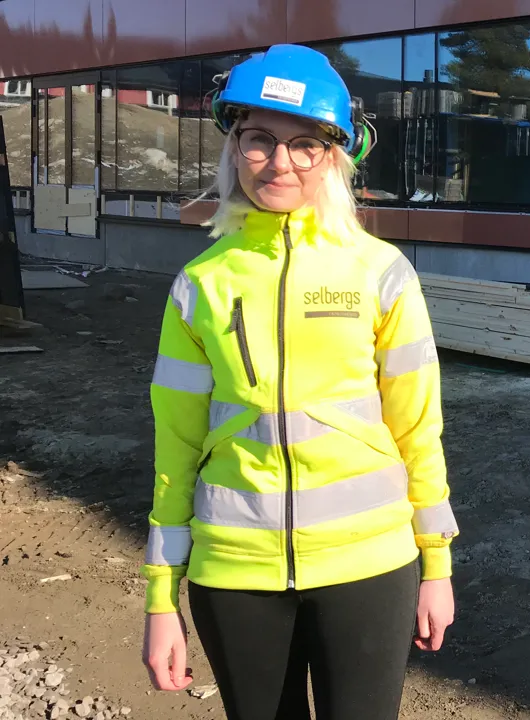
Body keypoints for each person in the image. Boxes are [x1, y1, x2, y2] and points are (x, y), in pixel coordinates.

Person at [139, 44, 458, 720]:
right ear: (234, 148)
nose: (279, 162)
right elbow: (175, 447)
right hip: (233, 573)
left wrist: (437, 564)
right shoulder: (199, 287)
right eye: (259, 139)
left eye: (304, 144)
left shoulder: (381, 274)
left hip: (369, 567)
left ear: (335, 156)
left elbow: (417, 428)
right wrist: (161, 597)